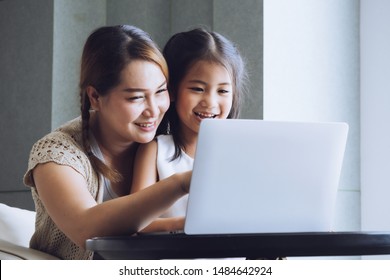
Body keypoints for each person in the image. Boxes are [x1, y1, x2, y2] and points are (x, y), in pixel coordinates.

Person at [23, 25, 191, 260]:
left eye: (160, 91)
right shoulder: (56, 154)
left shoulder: (168, 142)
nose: (153, 110)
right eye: (136, 97)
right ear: (95, 97)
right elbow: (86, 229)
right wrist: (182, 184)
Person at [131, 27, 248, 232]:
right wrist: (186, 225)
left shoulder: (241, 152)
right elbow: (134, 221)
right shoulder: (155, 151)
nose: (210, 102)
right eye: (197, 89)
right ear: (172, 90)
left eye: (222, 91)